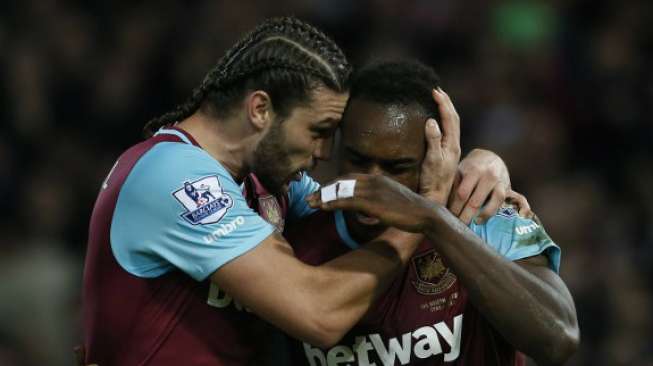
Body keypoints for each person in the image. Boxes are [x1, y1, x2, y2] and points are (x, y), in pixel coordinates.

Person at [81, 17, 516, 365]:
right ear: (260, 109)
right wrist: (429, 208)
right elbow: (319, 315)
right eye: (318, 131)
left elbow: (373, 204)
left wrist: (479, 167)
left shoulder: (269, 184)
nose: (324, 152)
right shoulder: (174, 177)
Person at [285, 60, 579, 365]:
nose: (373, 181)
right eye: (358, 160)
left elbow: (559, 338)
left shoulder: (482, 212)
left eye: (396, 167)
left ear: (434, 157)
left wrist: (434, 218)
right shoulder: (296, 225)